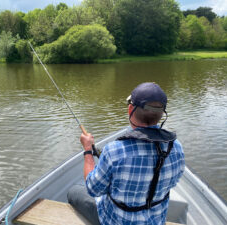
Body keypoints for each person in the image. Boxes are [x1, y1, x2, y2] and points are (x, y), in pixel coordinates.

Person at [67, 82, 185, 225]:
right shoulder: (176, 147)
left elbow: (93, 190)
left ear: (130, 109)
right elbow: (173, 181)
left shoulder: (114, 151)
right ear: (161, 114)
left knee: (74, 191)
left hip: (115, 221)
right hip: (155, 221)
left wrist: (87, 150)